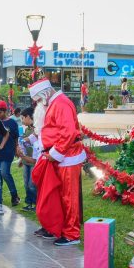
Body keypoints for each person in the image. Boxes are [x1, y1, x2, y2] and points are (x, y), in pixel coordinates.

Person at [30, 78, 86, 245]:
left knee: (68, 197)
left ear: (45, 93)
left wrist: (55, 153)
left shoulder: (60, 103)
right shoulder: (54, 103)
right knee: (58, 195)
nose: (38, 103)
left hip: (67, 156)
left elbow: (68, 132)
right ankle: (57, 228)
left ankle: (71, 234)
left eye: (38, 99)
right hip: (59, 156)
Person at [0, 100, 20, 206]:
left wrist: (16, 148)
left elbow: (16, 137)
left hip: (8, 151)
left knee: (4, 173)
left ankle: (14, 196)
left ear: (5, 111)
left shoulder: (12, 123)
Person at [16, 106, 38, 211]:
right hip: (26, 161)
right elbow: (24, 145)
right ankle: (29, 203)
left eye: (23, 118)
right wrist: (21, 159)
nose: (22, 121)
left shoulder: (37, 130)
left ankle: (36, 204)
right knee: (26, 184)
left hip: (34, 162)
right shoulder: (27, 129)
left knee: (32, 184)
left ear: (28, 117)